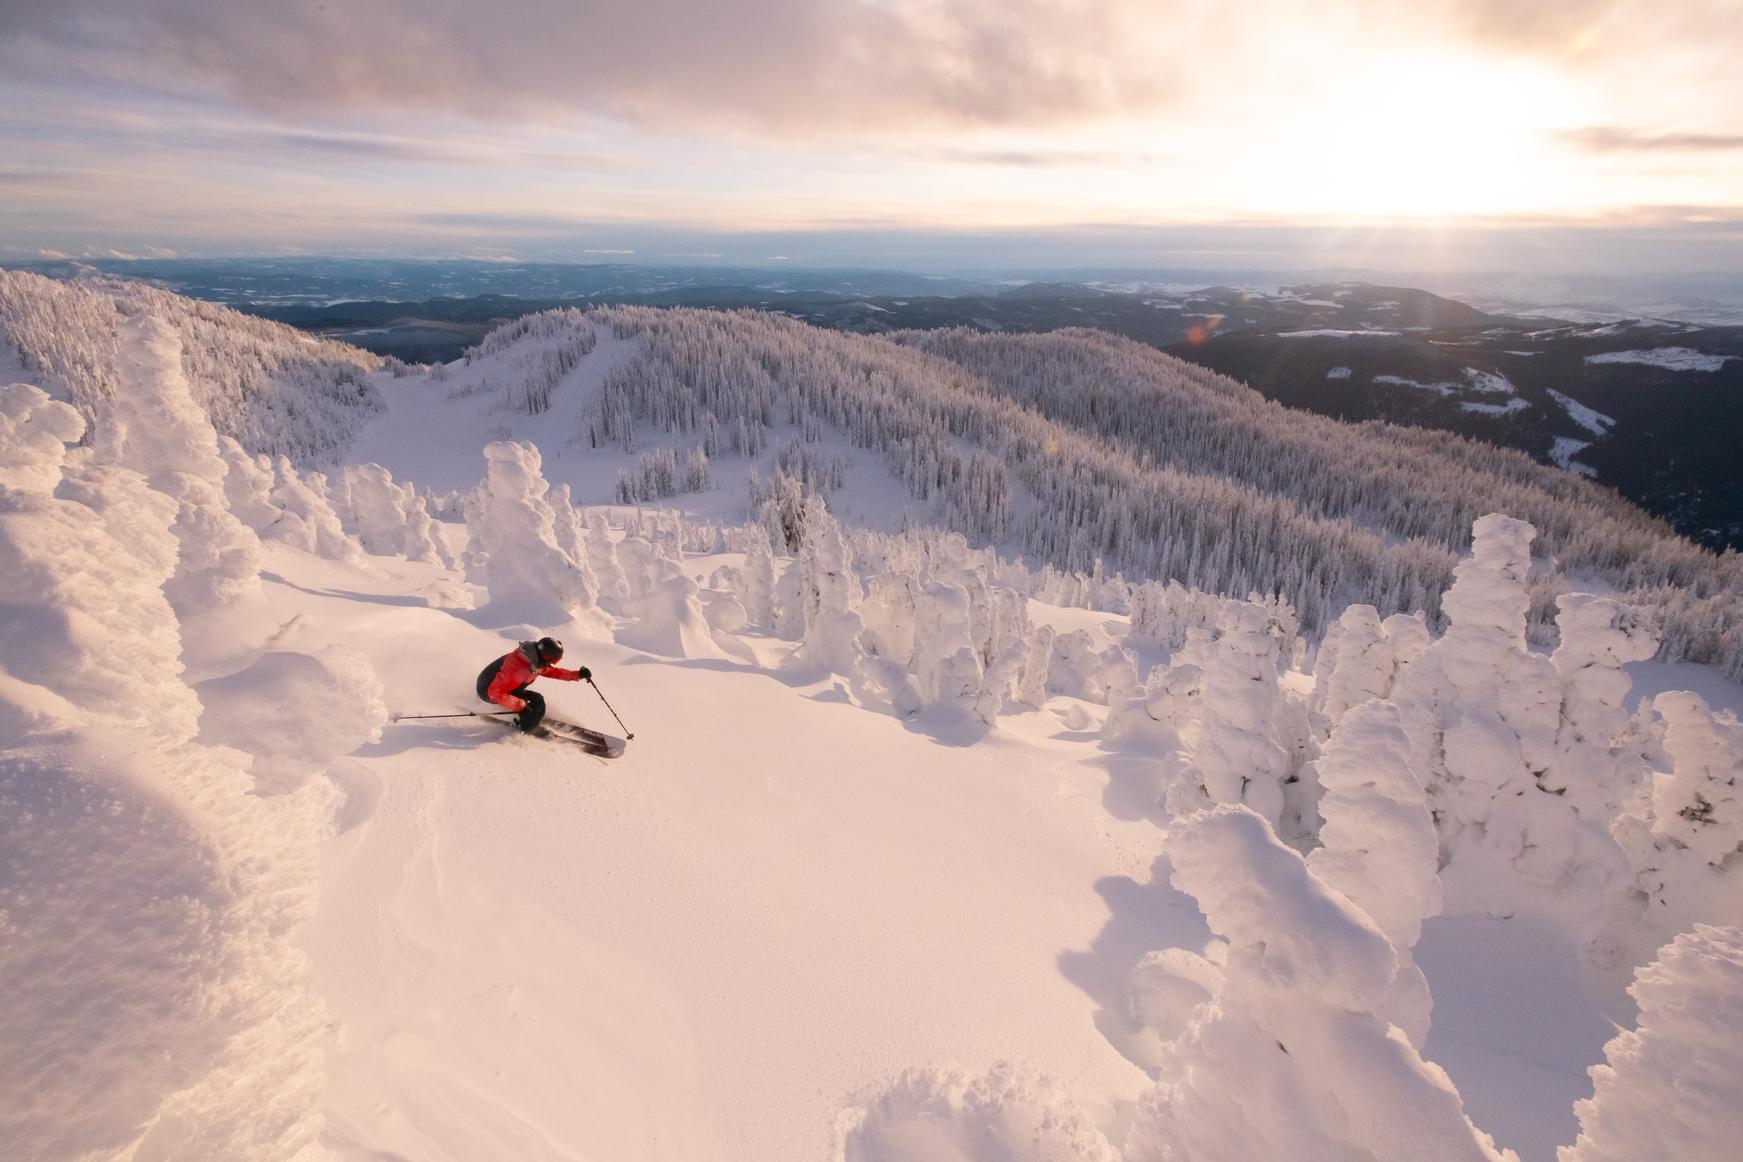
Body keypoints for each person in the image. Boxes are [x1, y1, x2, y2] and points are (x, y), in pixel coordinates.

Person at [475, 636, 590, 732]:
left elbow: (552, 672)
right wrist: (521, 707)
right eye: (554, 660)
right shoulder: (517, 667)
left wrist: (577, 675)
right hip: (487, 691)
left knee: (537, 700)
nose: (552, 664)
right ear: (546, 656)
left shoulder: (534, 661)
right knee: (529, 707)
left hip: (507, 688)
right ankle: (527, 728)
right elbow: (494, 693)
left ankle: (531, 721)